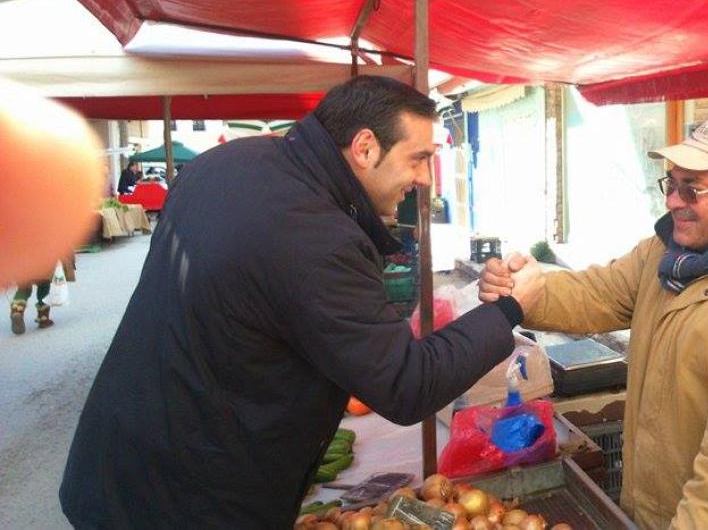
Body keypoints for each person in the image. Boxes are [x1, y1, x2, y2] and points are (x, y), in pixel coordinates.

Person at [60, 76, 526, 528]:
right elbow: (406, 385)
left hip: (121, 455)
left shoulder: (226, 163)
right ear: (364, 148)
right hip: (189, 498)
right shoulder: (316, 234)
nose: (425, 178)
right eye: (418, 158)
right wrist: (508, 310)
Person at [481, 119, 708, 529]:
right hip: (652, 511)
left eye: (692, 188)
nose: (673, 201)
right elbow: (599, 292)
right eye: (671, 184)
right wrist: (525, 291)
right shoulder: (668, 254)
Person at [9, 255, 73, 334]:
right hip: (44, 259)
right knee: (44, 285)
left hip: (22, 259)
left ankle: (17, 311)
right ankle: (43, 317)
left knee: (24, 287)